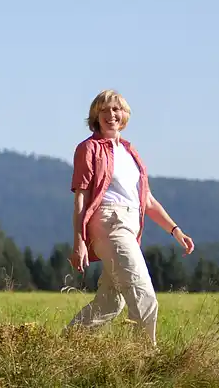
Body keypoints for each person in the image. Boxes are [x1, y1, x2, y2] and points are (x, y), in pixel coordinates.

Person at [67, 89, 194, 347]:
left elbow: (146, 199)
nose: (110, 115)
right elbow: (80, 197)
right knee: (143, 292)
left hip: (130, 225)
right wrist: (79, 241)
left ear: (125, 115)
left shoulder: (129, 152)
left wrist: (175, 230)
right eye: (103, 110)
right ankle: (144, 357)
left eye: (116, 109)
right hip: (108, 222)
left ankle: (65, 345)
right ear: (95, 116)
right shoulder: (88, 148)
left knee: (111, 301)